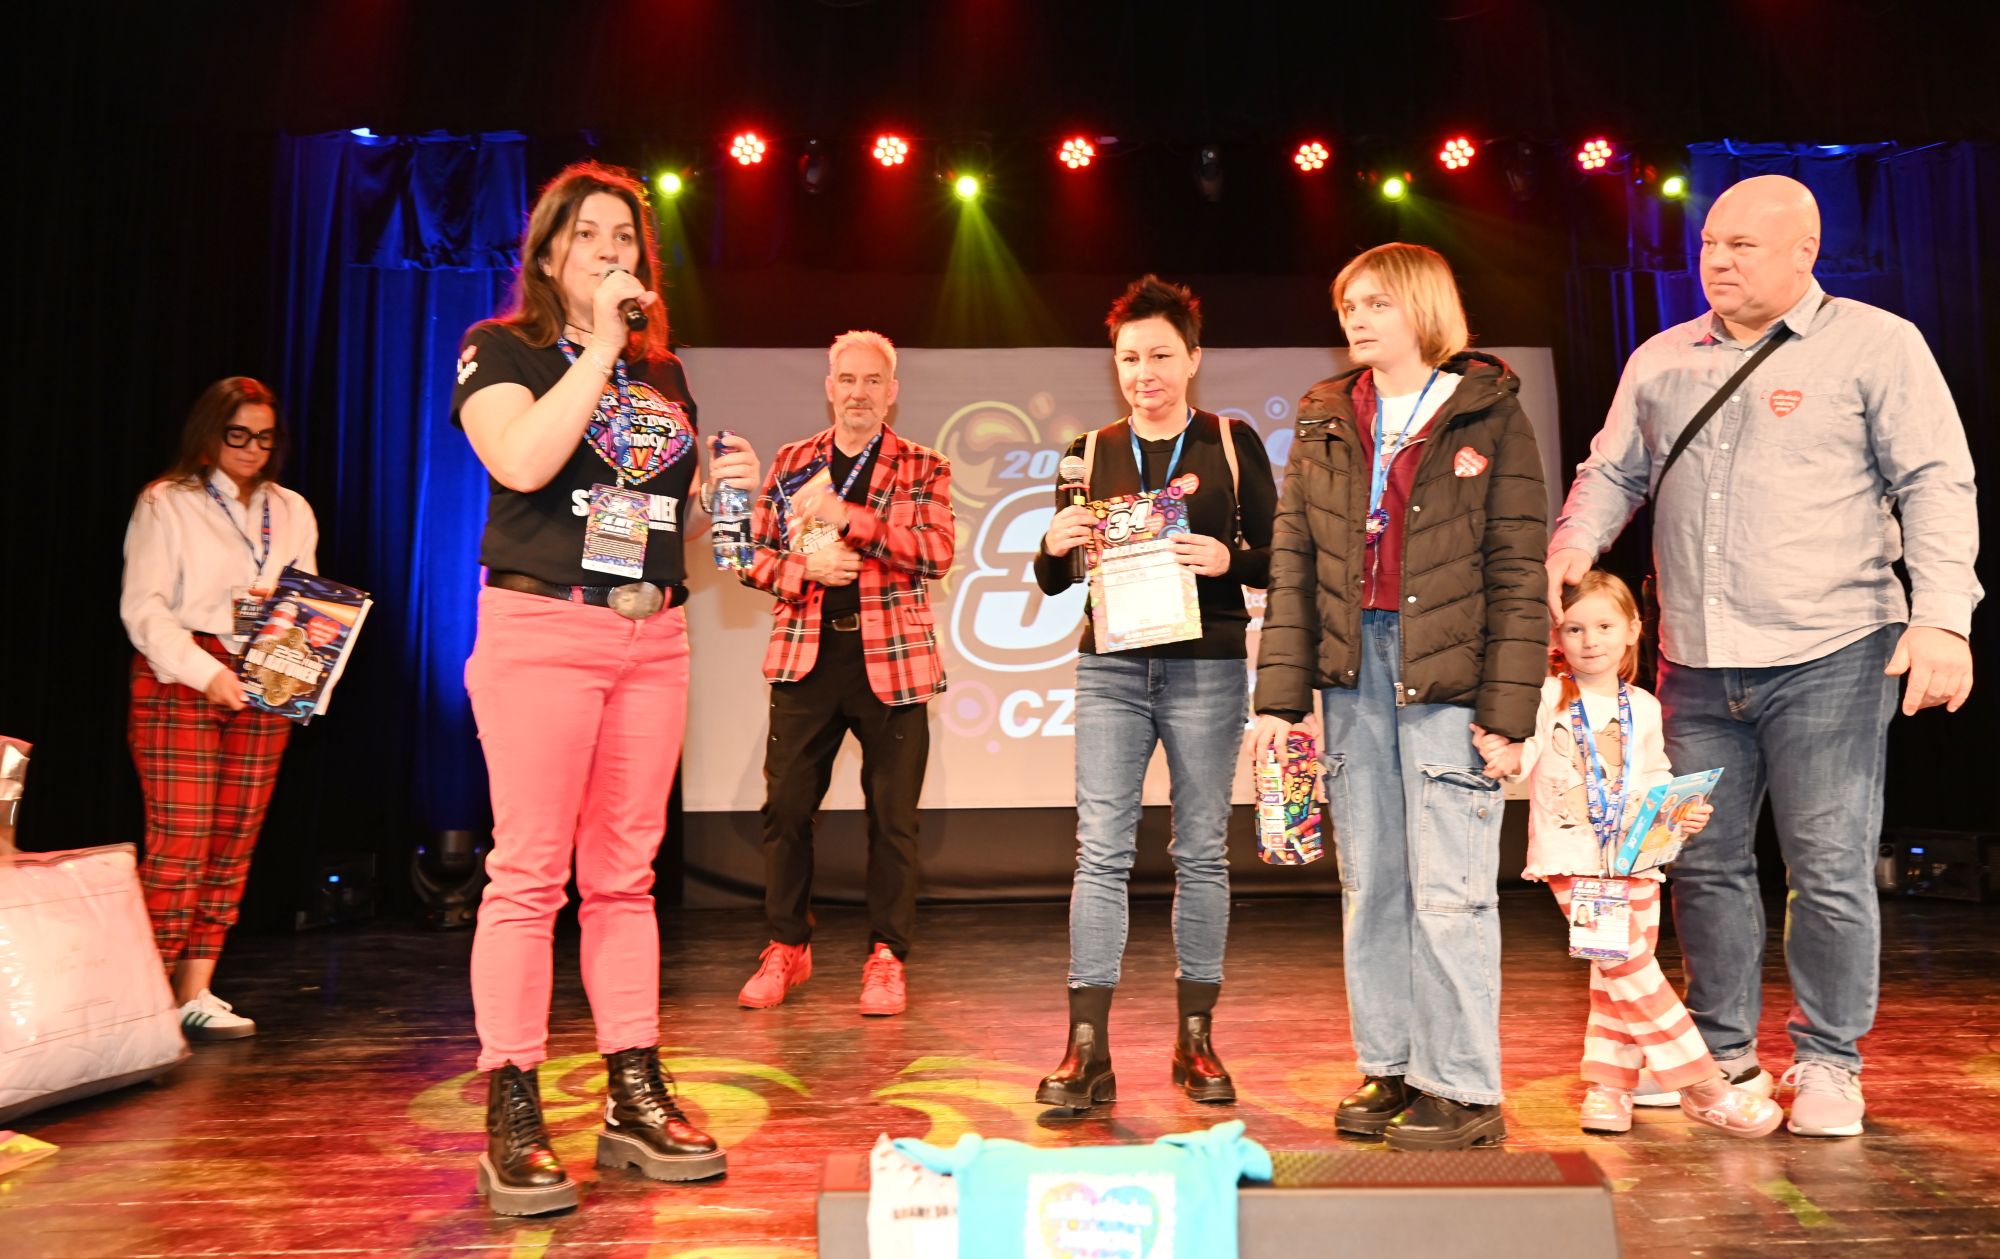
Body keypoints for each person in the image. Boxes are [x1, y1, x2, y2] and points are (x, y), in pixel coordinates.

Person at [1546, 174, 1980, 1137]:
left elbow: (1937, 483)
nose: (1718, 260)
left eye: (1742, 245)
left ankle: (1828, 1061)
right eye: (1710, 244)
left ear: (1803, 252)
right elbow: (1612, 470)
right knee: (1703, 864)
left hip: (1835, 646)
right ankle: (1722, 1055)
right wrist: (1575, 541)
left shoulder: (1878, 344)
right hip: (1695, 657)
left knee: (1827, 863)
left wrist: (1944, 618)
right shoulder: (1662, 357)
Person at [452, 161, 761, 1215]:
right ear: (548, 254)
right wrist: (593, 348)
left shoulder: (662, 375)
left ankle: (632, 1091)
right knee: (528, 875)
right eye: (588, 235)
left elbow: (671, 529)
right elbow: (525, 462)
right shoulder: (501, 349)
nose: (610, 252)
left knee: (625, 877)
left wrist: (725, 498)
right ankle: (513, 1104)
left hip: (653, 636)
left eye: (625, 237)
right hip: (544, 628)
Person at [1251, 243, 1548, 1151]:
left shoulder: (1490, 414)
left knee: (1451, 890)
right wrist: (1279, 699)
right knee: (1372, 881)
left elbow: (1519, 571)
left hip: (1450, 677)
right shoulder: (1326, 417)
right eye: (1350, 303)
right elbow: (1294, 561)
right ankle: (1392, 1064)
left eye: (1376, 301)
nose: (1357, 317)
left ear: (1422, 307)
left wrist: (1509, 713)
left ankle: (1462, 1085)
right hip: (1355, 677)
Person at [1032, 275, 1276, 1111]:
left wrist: (1228, 560)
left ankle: (1195, 1039)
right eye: (1131, 358)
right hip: (1112, 668)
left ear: (1194, 359)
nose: (1145, 374)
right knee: (1100, 850)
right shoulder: (1087, 451)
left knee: (1201, 851)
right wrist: (1053, 544)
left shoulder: (1232, 442)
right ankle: (1086, 1048)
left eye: (1162, 356)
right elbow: (1058, 579)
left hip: (1206, 666)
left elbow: (1280, 556)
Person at [1481, 570, 1782, 1137]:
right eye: (1574, 628)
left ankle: (1609, 1087)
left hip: (1638, 860)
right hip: (1574, 859)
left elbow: (1654, 774)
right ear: (1557, 635)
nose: (1590, 640)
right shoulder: (1545, 696)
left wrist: (1681, 813)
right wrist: (1506, 755)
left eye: (1603, 626)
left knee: (1614, 979)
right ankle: (1703, 1084)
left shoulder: (1642, 705)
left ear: (1633, 630)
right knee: (1628, 966)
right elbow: (1523, 754)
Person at [734, 330, 955, 1019]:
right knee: (785, 810)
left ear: (892, 392)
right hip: (807, 657)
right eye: (848, 380)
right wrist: (806, 567)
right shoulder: (793, 462)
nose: (859, 392)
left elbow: (936, 552)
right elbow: (749, 555)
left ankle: (887, 956)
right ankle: (786, 946)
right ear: (830, 388)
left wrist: (848, 519)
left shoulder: (923, 465)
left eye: (873, 380)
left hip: (893, 662)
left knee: (893, 821)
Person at [121, 376, 318, 1042]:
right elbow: (144, 609)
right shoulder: (167, 501)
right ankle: (144, 1000)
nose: (252, 449)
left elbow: (306, 603)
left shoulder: (290, 508)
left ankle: (193, 991)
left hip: (265, 672)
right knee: (180, 841)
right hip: (182, 674)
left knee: (234, 839)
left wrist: (297, 670)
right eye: (238, 435)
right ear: (209, 433)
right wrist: (207, 674)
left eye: (264, 437)